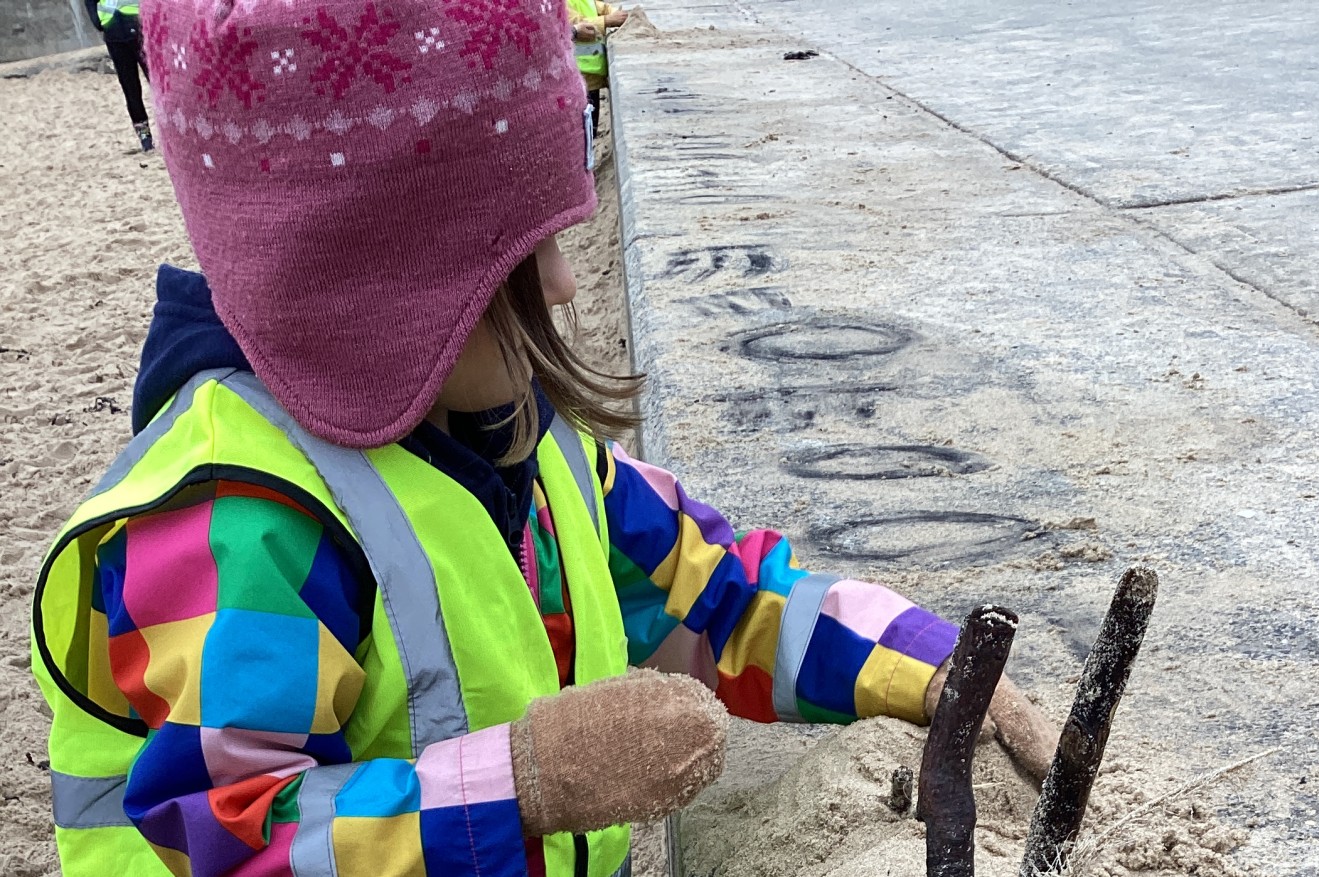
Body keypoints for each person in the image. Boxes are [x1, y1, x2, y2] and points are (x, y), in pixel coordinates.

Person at [29, 0, 1059, 875]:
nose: (565, 285)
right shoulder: (242, 530)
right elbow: (236, 836)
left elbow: (726, 598)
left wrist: (924, 664)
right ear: (385, 291)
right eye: (521, 260)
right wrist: (521, 781)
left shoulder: (528, 439)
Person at [85, 0, 153, 151]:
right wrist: (98, 21)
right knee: (130, 88)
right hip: (114, 35)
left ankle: (172, 127)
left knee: (157, 83)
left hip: (139, 28)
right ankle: (145, 137)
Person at [568, 0, 627, 130]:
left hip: (592, 75)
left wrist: (615, 13)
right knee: (581, 128)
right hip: (575, 77)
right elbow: (574, 24)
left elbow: (598, 6)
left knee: (591, 126)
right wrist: (607, 20)